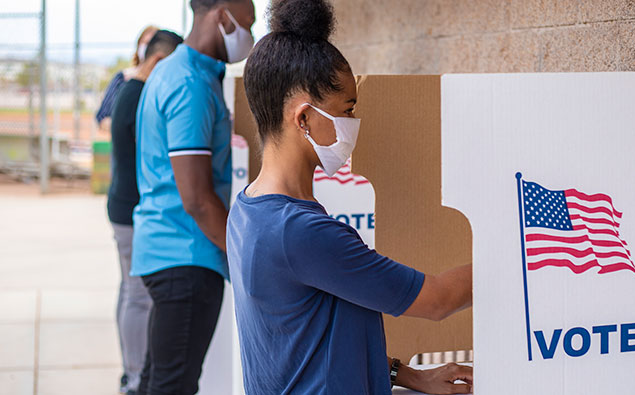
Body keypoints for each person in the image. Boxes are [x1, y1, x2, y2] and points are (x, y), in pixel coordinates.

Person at [227, 0, 474, 394]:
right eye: (347, 109)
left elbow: (310, 338)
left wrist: (405, 375)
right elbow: (439, 300)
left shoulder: (247, 209)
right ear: (303, 117)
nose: (353, 124)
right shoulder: (301, 233)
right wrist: (512, 258)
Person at [131, 1, 255, 394]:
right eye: (248, 24)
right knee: (173, 385)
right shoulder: (191, 86)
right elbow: (198, 198)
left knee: (159, 380)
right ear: (223, 18)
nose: (250, 36)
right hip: (185, 257)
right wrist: (243, 259)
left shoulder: (172, 71)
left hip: (165, 251)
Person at [107, 30, 184, 395]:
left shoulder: (129, 90)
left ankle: (131, 374)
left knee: (130, 292)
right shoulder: (139, 96)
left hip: (123, 206)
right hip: (130, 210)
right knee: (137, 296)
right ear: (157, 61)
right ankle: (136, 379)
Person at [96, 25, 158, 132]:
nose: (148, 48)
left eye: (152, 44)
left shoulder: (163, 81)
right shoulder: (123, 78)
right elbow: (102, 117)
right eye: (146, 43)